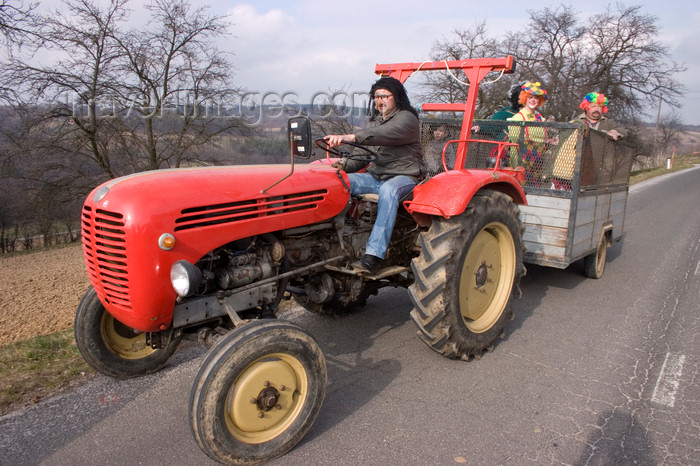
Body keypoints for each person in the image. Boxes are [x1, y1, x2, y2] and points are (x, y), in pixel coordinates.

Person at [324, 76, 425, 273]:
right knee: (340, 182)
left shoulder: (407, 119)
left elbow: (385, 133)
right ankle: (333, 240)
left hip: (405, 178)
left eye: (384, 96)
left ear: (396, 97)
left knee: (389, 191)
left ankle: (373, 256)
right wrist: (339, 167)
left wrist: (351, 137)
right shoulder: (376, 123)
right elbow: (361, 157)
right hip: (376, 177)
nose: (380, 102)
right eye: (376, 97)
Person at [507, 81, 553, 186]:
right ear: (525, 99)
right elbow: (513, 144)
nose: (533, 100)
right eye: (530, 97)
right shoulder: (518, 118)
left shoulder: (540, 118)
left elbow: (543, 139)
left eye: (536, 98)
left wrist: (549, 141)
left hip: (538, 162)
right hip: (523, 161)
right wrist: (516, 165)